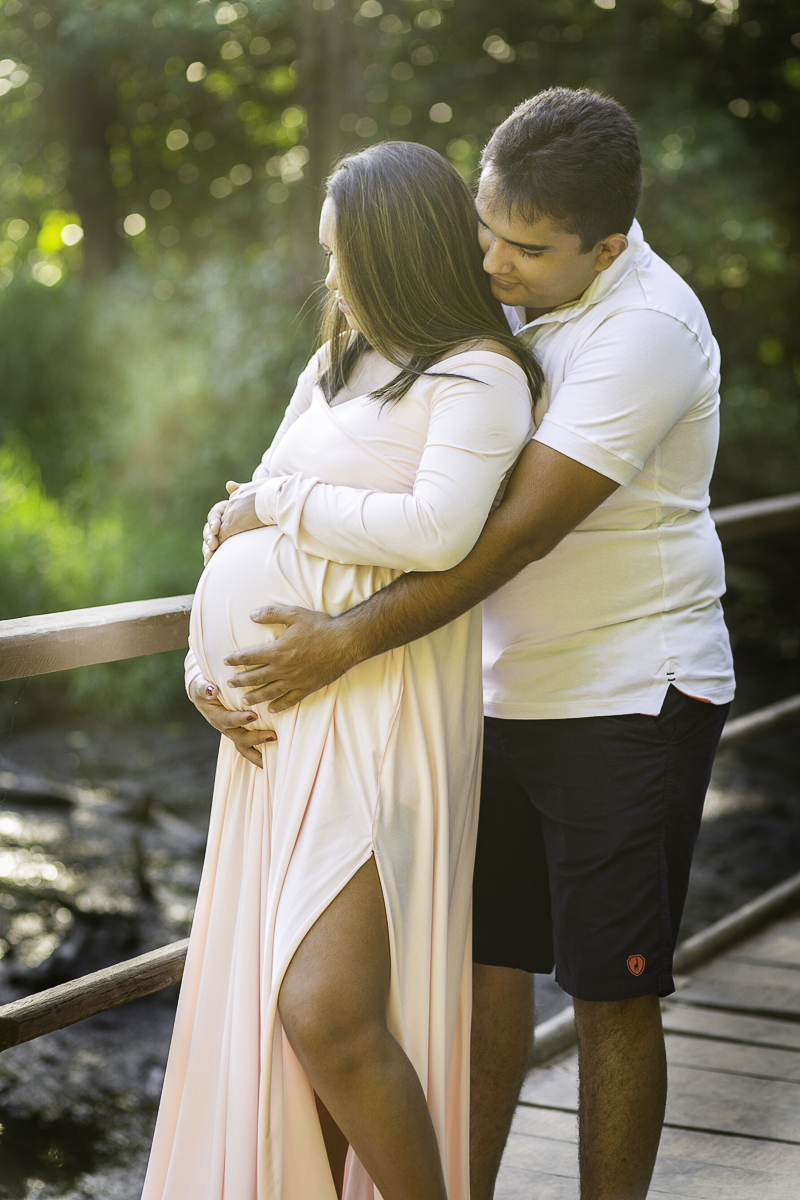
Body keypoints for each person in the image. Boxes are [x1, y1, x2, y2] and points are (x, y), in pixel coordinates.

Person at [198, 90, 735, 1200]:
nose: (489, 259)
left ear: (608, 243)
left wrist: (339, 641)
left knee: (608, 991)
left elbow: (502, 541)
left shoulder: (645, 332)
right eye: (482, 227)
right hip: (483, 692)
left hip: (622, 688)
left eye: (524, 248)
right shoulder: (497, 306)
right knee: (482, 972)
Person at [141, 140, 542, 1200]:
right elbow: (239, 515)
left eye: (342, 256)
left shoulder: (478, 375)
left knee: (324, 1011)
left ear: (396, 252)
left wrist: (276, 508)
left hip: (379, 714)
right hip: (281, 727)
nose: (330, 278)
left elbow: (437, 528)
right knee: (295, 1019)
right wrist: (204, 660)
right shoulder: (333, 365)